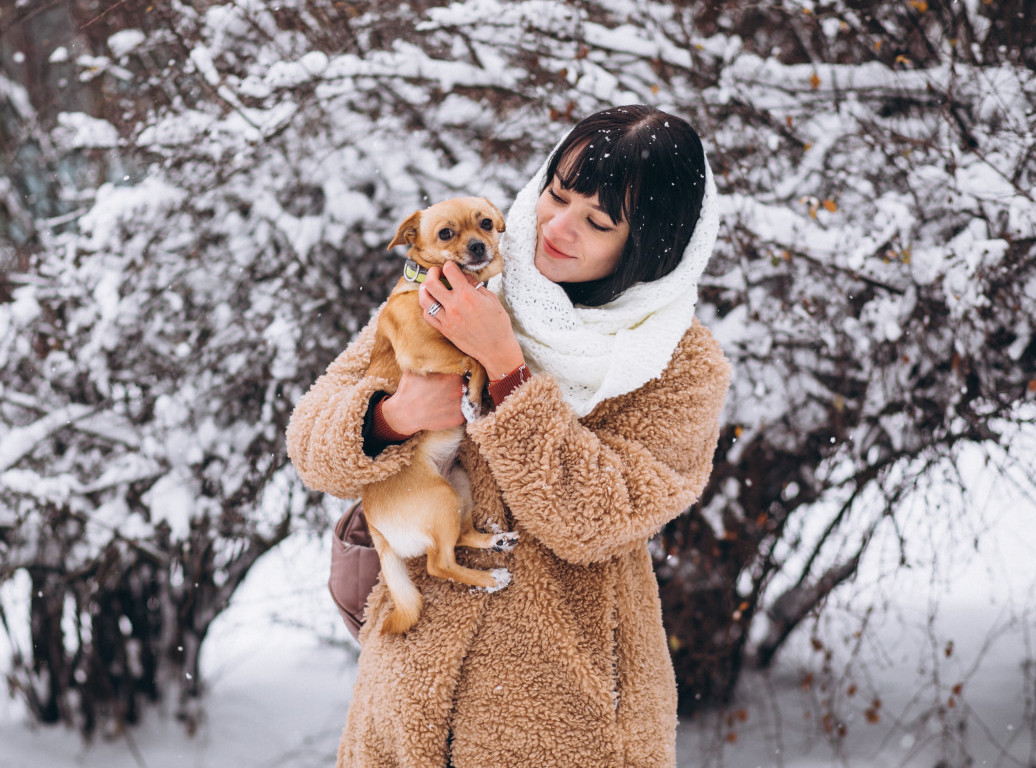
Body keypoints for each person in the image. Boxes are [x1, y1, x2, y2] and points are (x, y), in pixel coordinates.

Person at [285, 104, 731, 768]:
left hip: (568, 720)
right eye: (558, 194)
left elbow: (594, 521)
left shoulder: (679, 364)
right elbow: (311, 445)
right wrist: (391, 416)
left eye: (598, 222)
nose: (557, 227)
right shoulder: (462, 277)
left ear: (650, 246)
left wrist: (506, 369)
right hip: (407, 704)